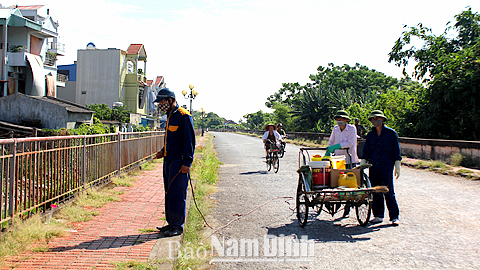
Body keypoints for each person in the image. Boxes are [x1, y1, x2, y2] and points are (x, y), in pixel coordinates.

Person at [154, 88, 196, 237]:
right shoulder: (170, 116)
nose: (161, 105)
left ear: (171, 100)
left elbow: (189, 141)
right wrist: (162, 151)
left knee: (177, 193)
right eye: (159, 103)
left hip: (179, 162)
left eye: (163, 102)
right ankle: (171, 223)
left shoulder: (184, 116)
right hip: (168, 160)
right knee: (169, 192)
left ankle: (177, 226)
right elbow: (171, 139)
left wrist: (187, 163)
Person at [361, 110, 401, 226]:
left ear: (382, 119)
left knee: (389, 191)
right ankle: (378, 215)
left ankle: (394, 216)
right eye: (373, 119)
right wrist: (363, 163)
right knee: (375, 191)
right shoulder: (370, 135)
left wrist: (397, 165)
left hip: (386, 166)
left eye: (377, 118)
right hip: (373, 166)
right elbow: (366, 151)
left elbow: (396, 150)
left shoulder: (391, 133)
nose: (375, 121)